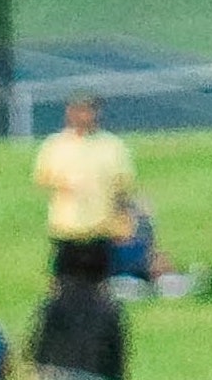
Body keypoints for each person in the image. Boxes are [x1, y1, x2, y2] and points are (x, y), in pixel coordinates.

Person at [31, 94, 137, 277]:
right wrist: (65, 184)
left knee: (98, 280)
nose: (83, 116)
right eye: (78, 110)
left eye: (88, 110)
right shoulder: (55, 145)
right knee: (63, 280)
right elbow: (43, 177)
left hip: (99, 229)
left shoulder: (112, 145)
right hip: (66, 228)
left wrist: (123, 219)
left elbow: (122, 187)